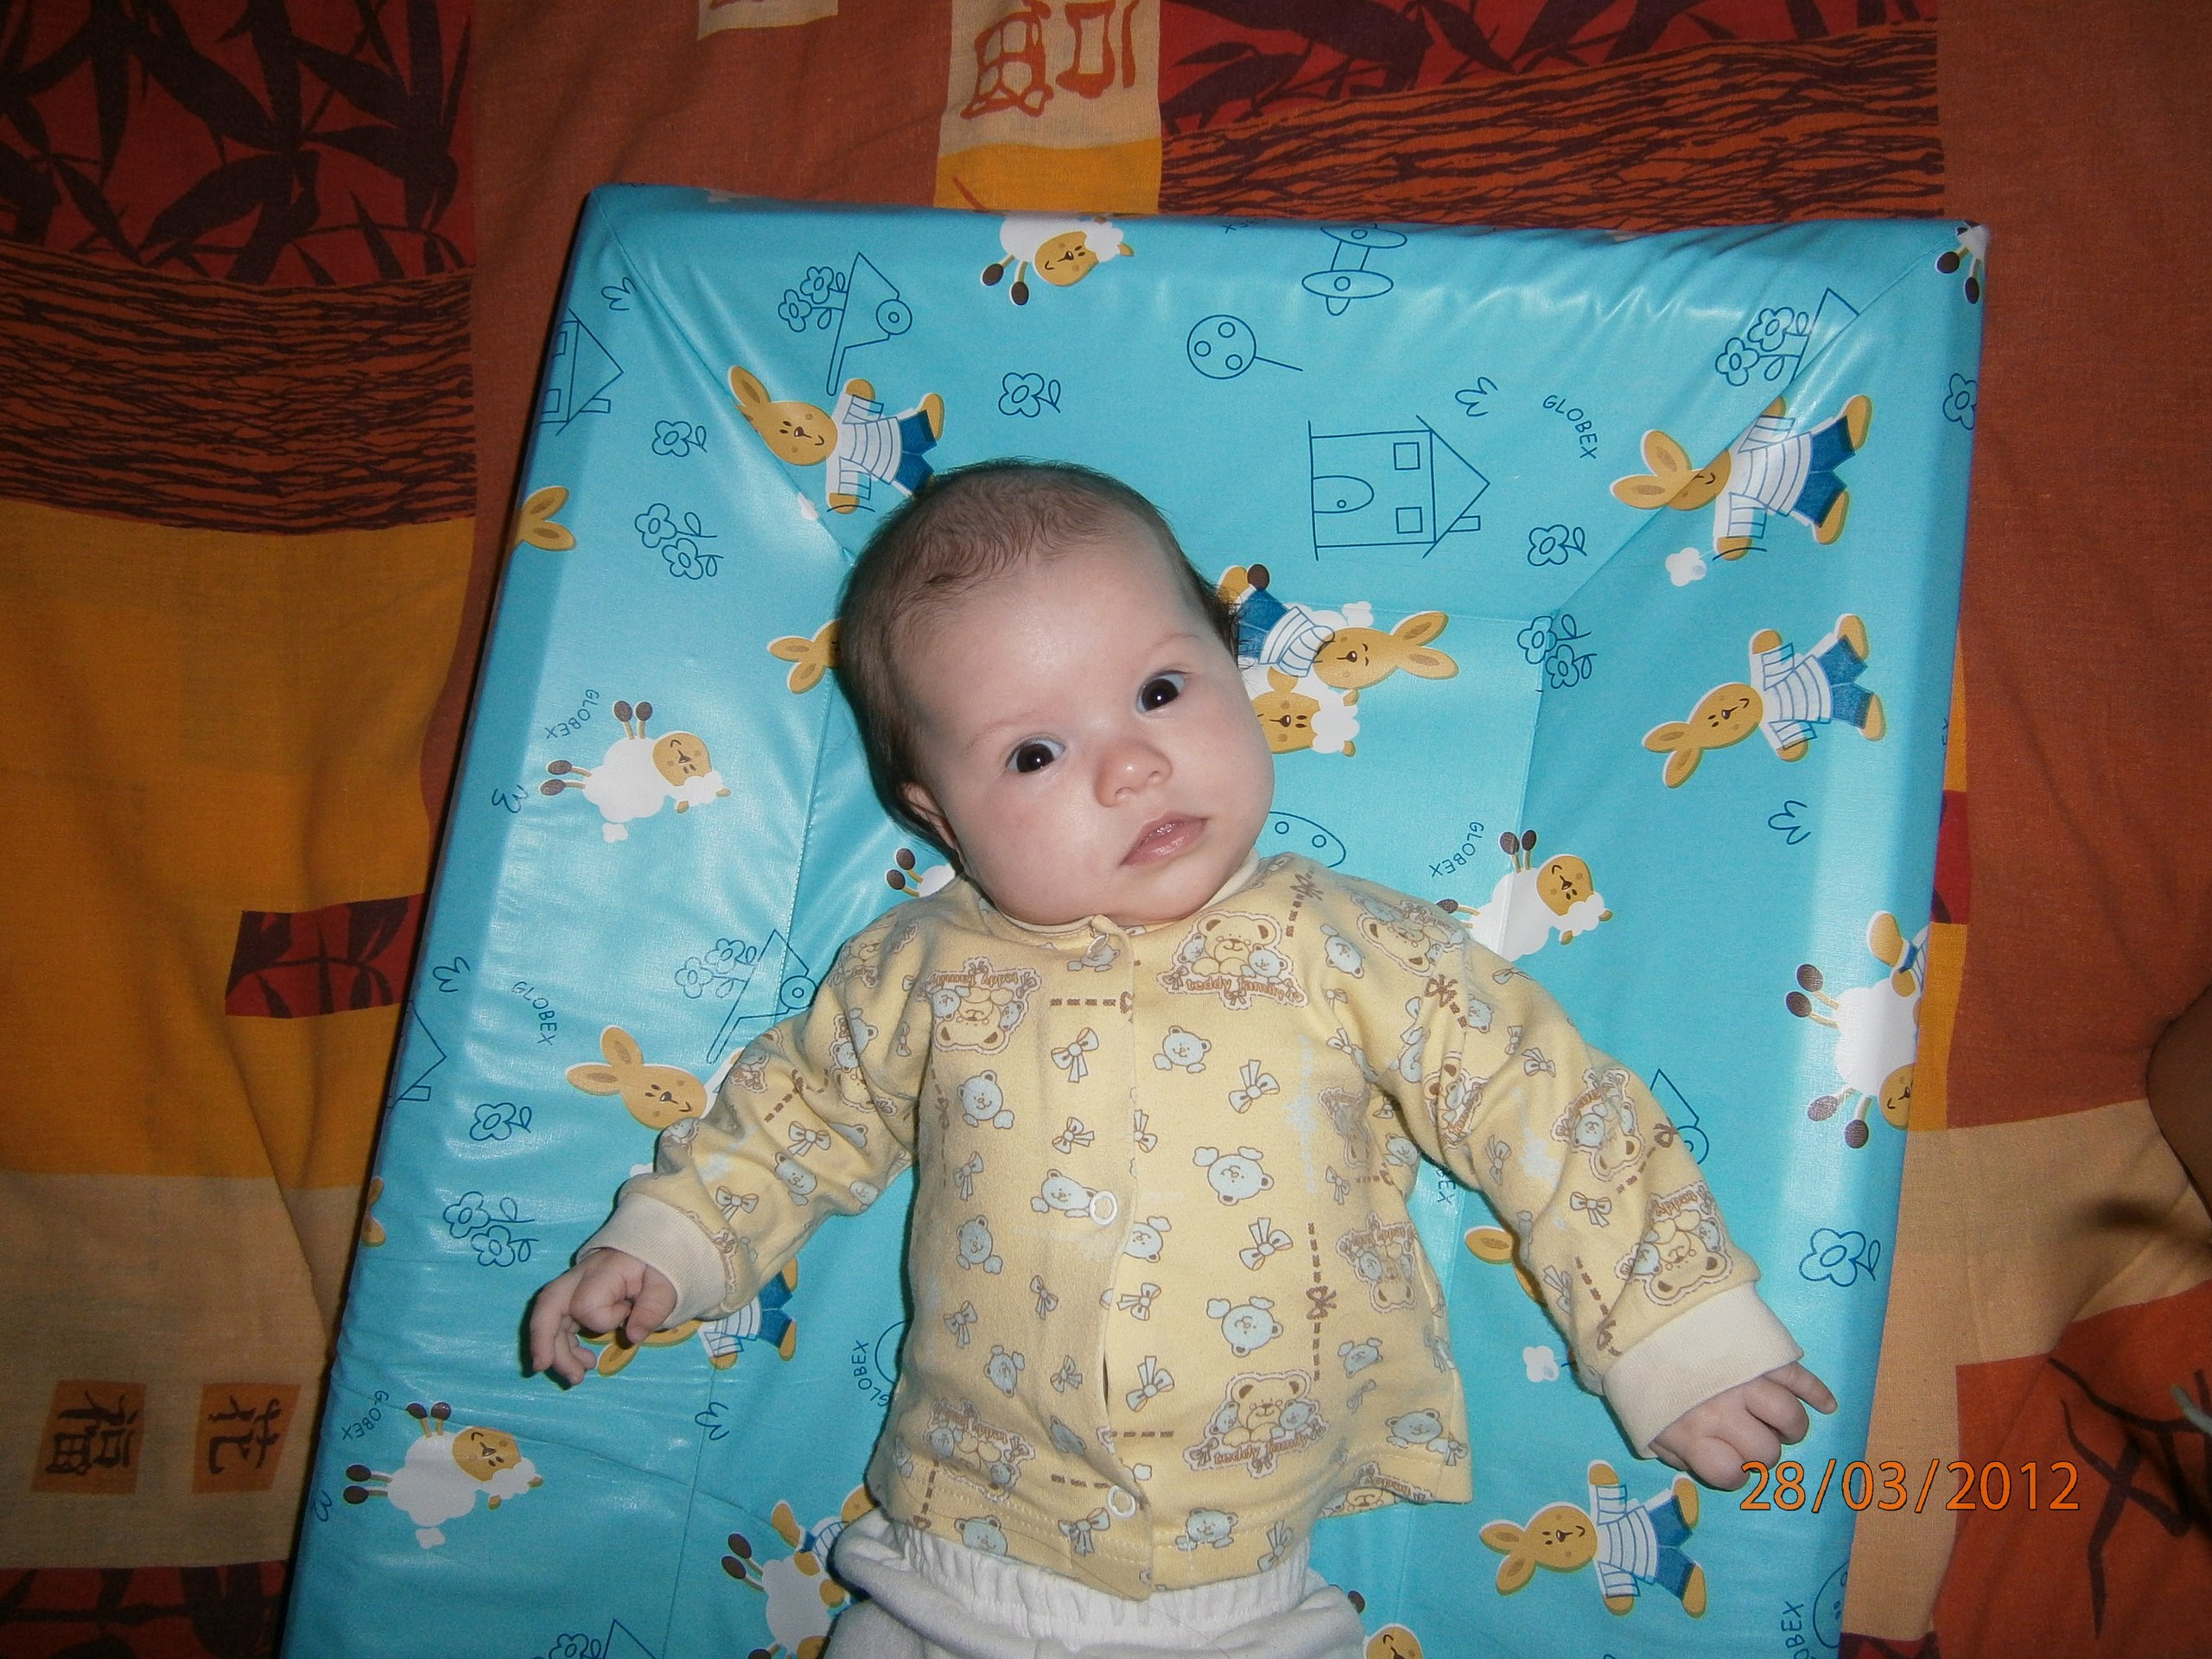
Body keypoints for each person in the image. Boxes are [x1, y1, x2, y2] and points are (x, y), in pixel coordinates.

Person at [527, 461, 1834, 1657]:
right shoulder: (917, 970)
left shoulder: (1347, 945)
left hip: (1247, 1594)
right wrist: (672, 1241)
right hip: (949, 1566)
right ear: (937, 816)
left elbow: (1538, 1099)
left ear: (1235, 670)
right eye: (1033, 753)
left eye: (1160, 691)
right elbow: (796, 1117)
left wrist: (1674, 1335)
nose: (1133, 766)